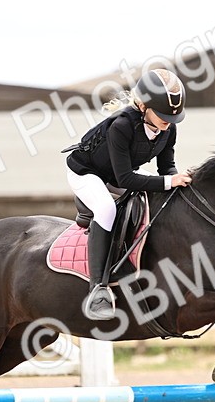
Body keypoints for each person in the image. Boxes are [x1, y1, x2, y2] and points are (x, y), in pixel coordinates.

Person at [64, 68, 193, 320]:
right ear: (144, 106)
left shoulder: (168, 128)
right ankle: (98, 290)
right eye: (163, 114)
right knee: (106, 209)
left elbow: (166, 168)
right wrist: (169, 181)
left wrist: (177, 185)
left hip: (116, 175)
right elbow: (126, 179)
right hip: (86, 173)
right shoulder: (121, 126)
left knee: (155, 200)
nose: (168, 121)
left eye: (172, 116)